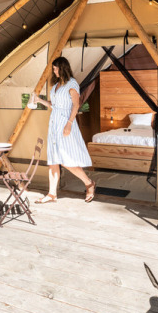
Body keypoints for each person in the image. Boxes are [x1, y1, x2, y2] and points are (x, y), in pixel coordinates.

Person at [31, 56, 96, 204]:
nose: (54, 71)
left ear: (62, 68)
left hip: (66, 124)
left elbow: (76, 105)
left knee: (67, 160)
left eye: (55, 69)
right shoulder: (56, 86)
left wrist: (69, 124)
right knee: (53, 160)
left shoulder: (72, 84)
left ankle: (88, 183)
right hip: (54, 124)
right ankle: (51, 194)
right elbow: (54, 105)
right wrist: (39, 100)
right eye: (53, 69)